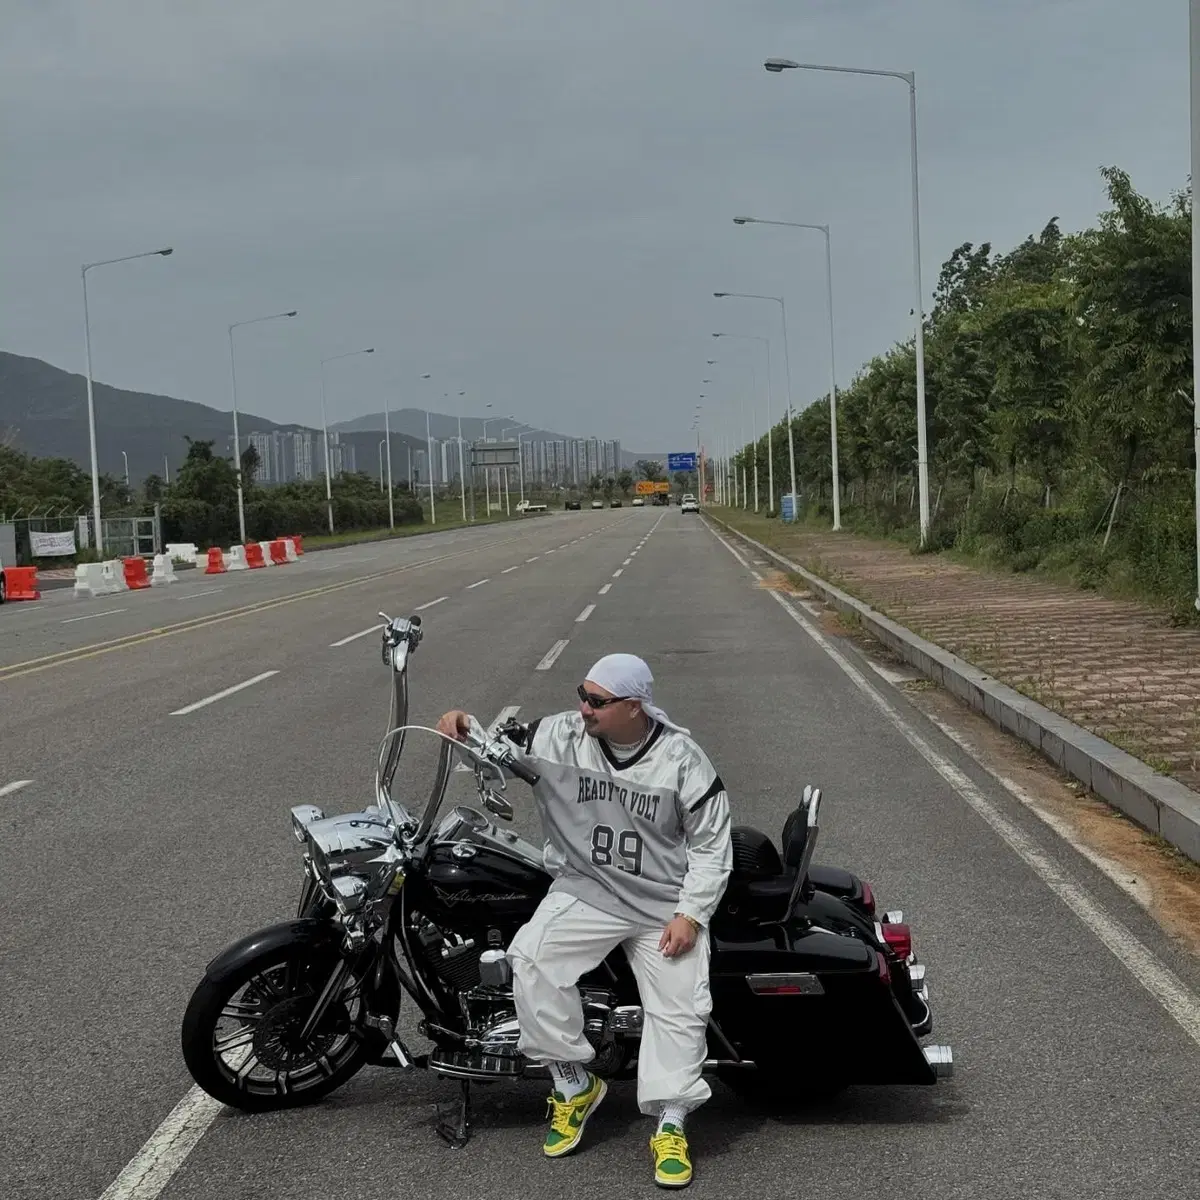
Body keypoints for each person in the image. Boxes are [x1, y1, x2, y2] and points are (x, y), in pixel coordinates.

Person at [437, 653, 732, 1189]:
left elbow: (713, 847)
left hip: (662, 902)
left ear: (635, 707)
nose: (584, 708)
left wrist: (691, 913)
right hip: (587, 889)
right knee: (529, 959)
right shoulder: (560, 734)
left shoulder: (683, 760)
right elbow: (499, 745)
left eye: (597, 701)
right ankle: (574, 1084)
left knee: (680, 1007)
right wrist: (465, 725)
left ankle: (671, 1120)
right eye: (583, 694)